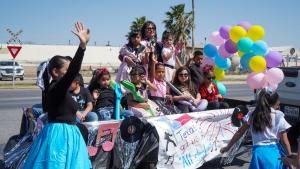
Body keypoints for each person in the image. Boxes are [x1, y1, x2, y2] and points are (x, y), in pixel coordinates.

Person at [23, 22, 91, 169]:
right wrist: (82, 47)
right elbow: (73, 71)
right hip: (60, 137)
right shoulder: (56, 88)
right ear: (55, 72)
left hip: (68, 135)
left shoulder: (58, 90)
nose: (70, 75)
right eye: (66, 71)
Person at [221, 88, 292, 169]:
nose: (279, 103)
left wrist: (228, 147)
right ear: (275, 102)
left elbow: (239, 132)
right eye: (279, 100)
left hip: (259, 154)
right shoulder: (278, 116)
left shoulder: (253, 115)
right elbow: (285, 141)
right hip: (275, 154)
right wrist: (290, 157)